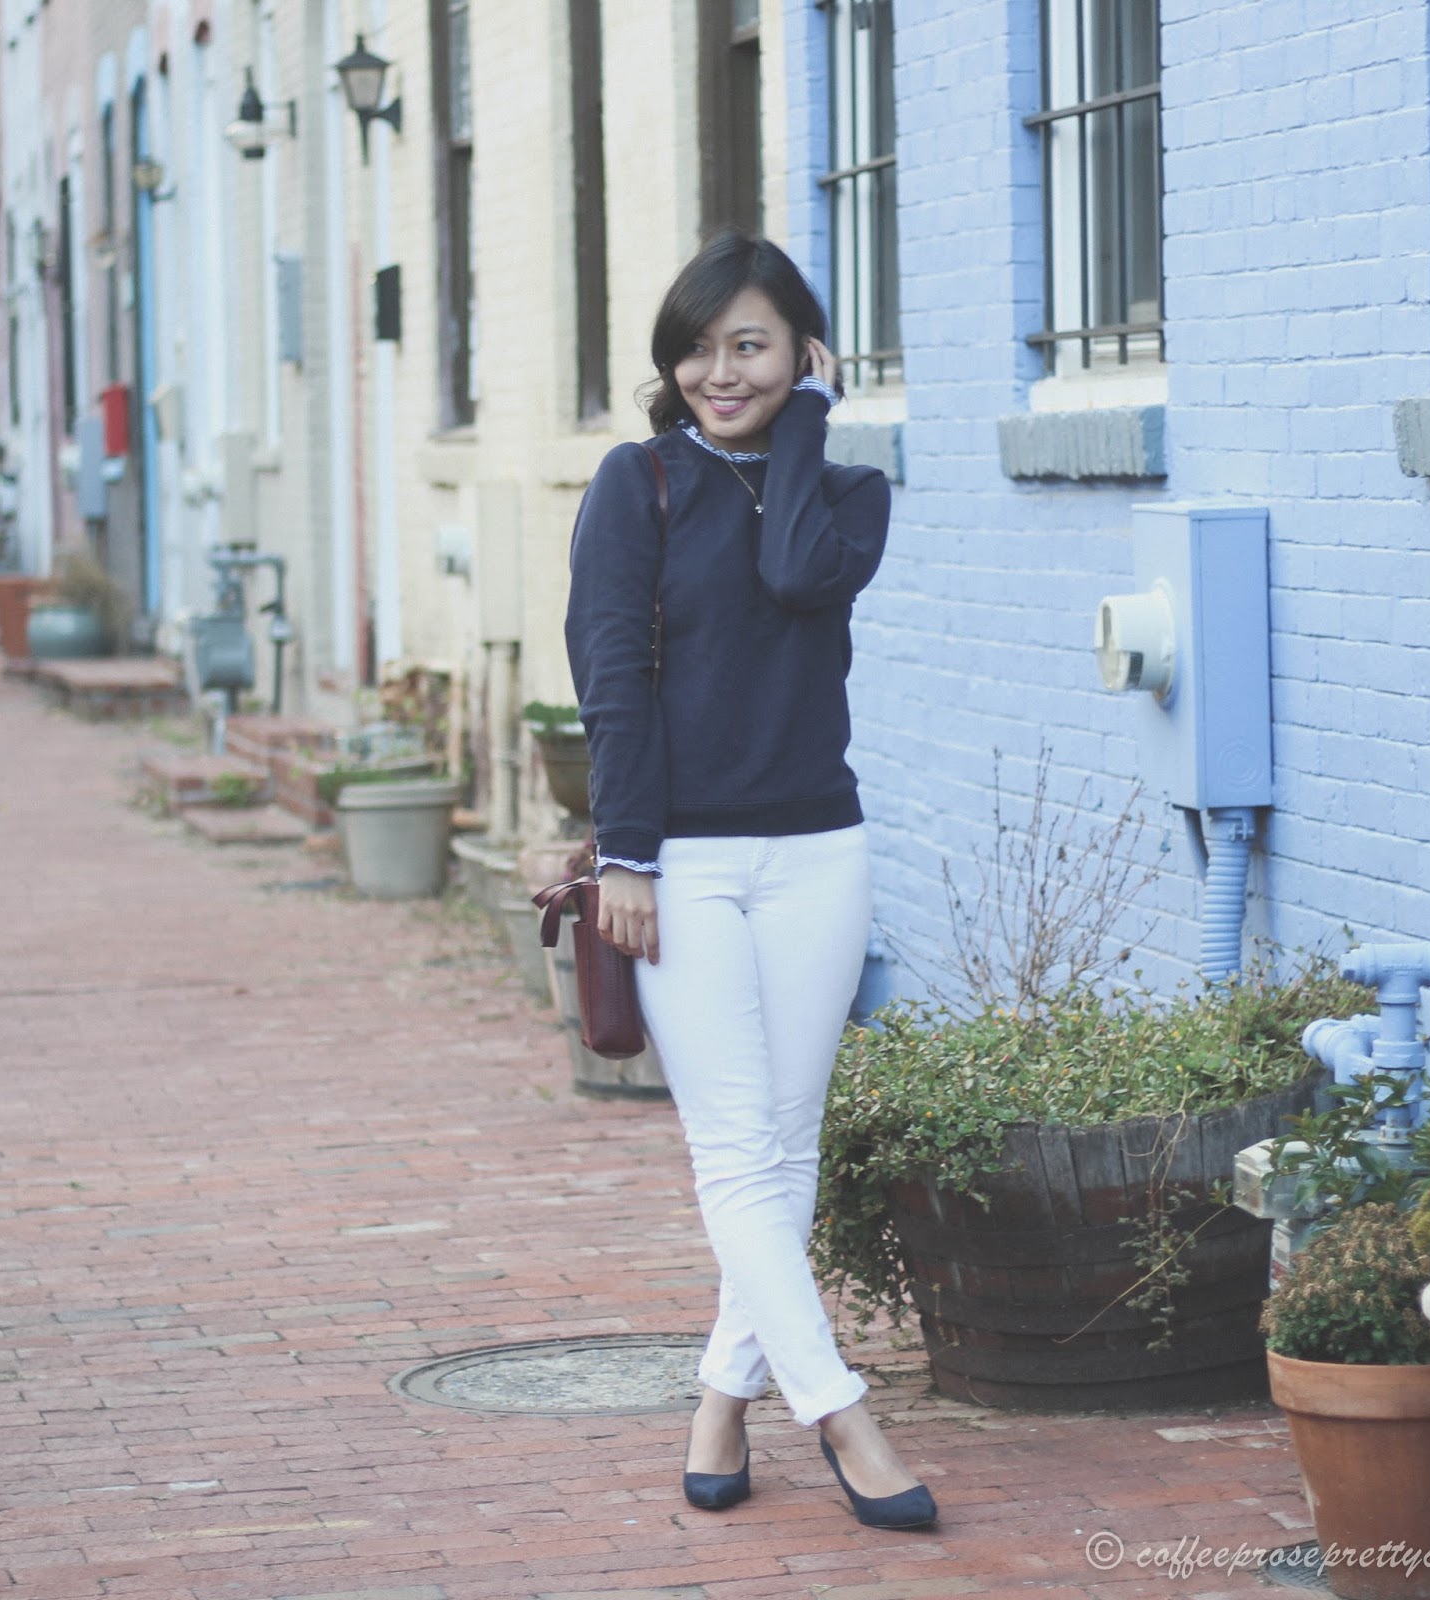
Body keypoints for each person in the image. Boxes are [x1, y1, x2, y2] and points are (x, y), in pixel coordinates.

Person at [564, 231, 936, 1531]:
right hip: (683, 867)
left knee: (787, 1153)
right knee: (736, 1154)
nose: (721, 370)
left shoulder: (848, 496)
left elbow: (792, 573)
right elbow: (612, 678)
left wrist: (813, 424)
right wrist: (624, 854)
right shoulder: (636, 485)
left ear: (802, 355)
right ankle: (842, 1416)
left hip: (820, 849)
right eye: (703, 345)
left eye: (754, 346)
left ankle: (723, 1398)